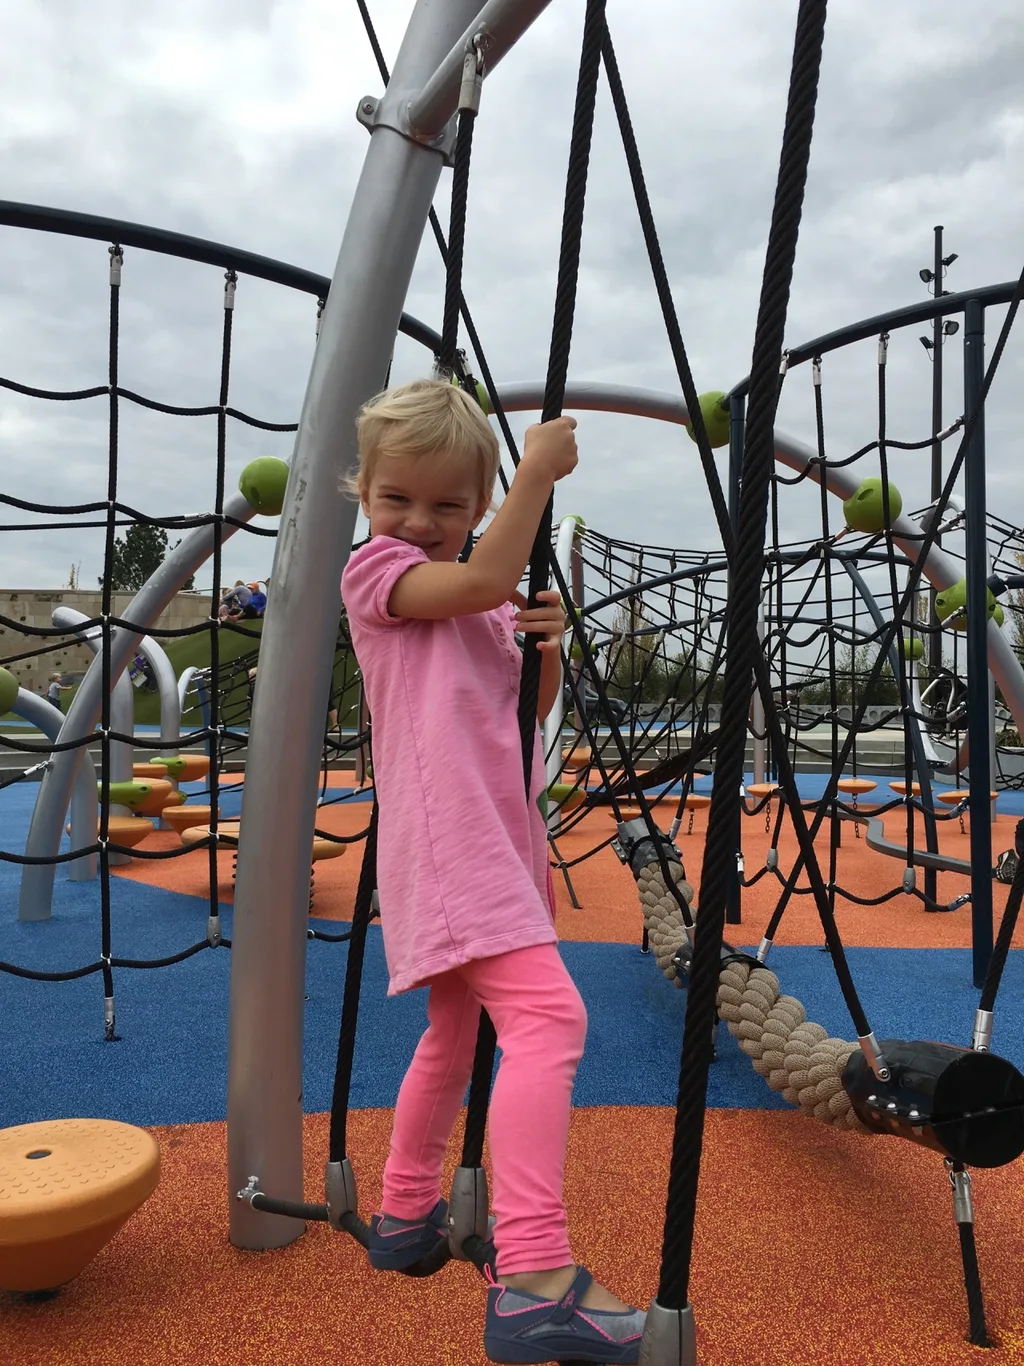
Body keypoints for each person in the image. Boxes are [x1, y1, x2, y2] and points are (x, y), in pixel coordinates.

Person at [341, 379, 645, 1364]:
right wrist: (534, 479)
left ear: (473, 507)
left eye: (446, 504)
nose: (418, 521)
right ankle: (536, 1274)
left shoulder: (479, 602)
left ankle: (404, 1208)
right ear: (365, 495)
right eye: (397, 497)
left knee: (457, 1028)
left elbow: (522, 702)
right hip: (455, 846)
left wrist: (546, 647)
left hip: (488, 845)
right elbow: (475, 582)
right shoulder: (379, 574)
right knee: (550, 1020)